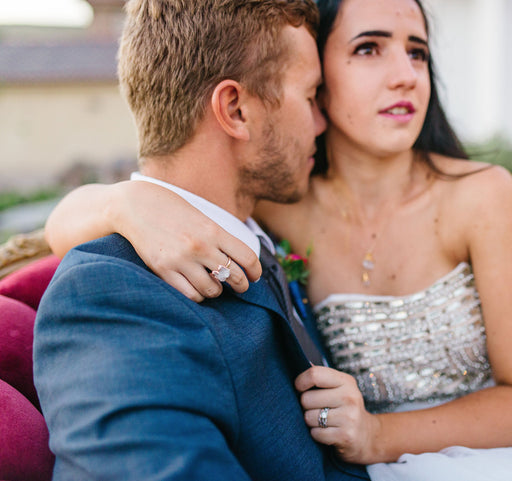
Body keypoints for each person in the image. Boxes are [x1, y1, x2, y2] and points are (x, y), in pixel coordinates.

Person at [43, 0, 512, 479]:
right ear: (319, 76)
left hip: (503, 451)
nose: (405, 74)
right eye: (368, 49)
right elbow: (79, 226)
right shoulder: (284, 206)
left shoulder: (478, 194)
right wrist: (129, 203)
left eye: (418, 52)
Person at [33, 1, 371, 479]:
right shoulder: (111, 300)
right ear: (236, 109)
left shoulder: (267, 224)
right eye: (311, 96)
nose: (321, 122)